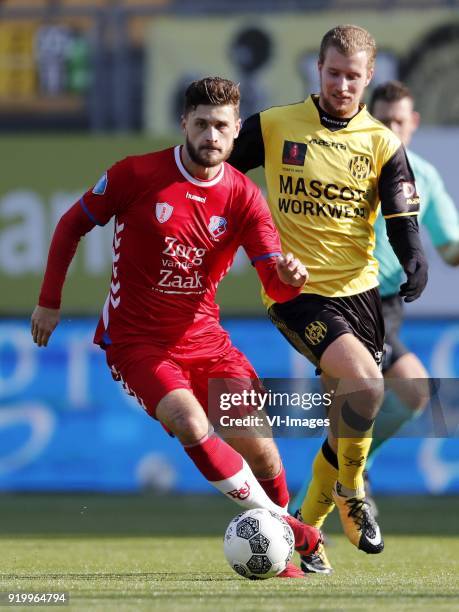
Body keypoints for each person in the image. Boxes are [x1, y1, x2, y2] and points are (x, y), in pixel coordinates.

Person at [30, 76, 321, 579]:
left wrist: (290, 279)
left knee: (263, 452)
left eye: (222, 127)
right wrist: (48, 302)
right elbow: (70, 225)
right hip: (137, 342)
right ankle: (292, 530)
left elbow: (274, 282)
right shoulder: (136, 174)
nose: (212, 135)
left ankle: (285, 556)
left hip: (207, 340)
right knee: (189, 421)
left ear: (235, 134)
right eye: (202, 123)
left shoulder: (244, 197)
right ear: (184, 122)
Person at [229, 25, 428, 574]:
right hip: (295, 293)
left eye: (353, 76)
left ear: (369, 78)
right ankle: (352, 491)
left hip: (361, 295)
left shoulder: (382, 143)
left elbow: (403, 218)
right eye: (334, 73)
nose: (343, 85)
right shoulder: (273, 125)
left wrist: (414, 258)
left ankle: (307, 532)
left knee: (349, 417)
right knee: (366, 385)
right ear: (318, 70)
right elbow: (219, 173)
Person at [363, 80, 459, 503]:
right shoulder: (349, 167)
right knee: (377, 392)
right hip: (345, 298)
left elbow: (450, 249)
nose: (390, 129)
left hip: (388, 305)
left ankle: (347, 467)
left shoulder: (426, 177)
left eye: (398, 121)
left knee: (411, 392)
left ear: (413, 123)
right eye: (382, 121)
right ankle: (333, 481)